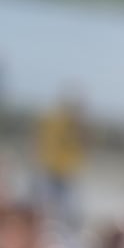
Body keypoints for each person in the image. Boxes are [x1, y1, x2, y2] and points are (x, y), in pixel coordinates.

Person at [34, 96, 86, 225]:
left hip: (65, 171)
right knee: (45, 203)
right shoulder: (57, 123)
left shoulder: (75, 127)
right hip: (51, 169)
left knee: (64, 207)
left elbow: (79, 148)